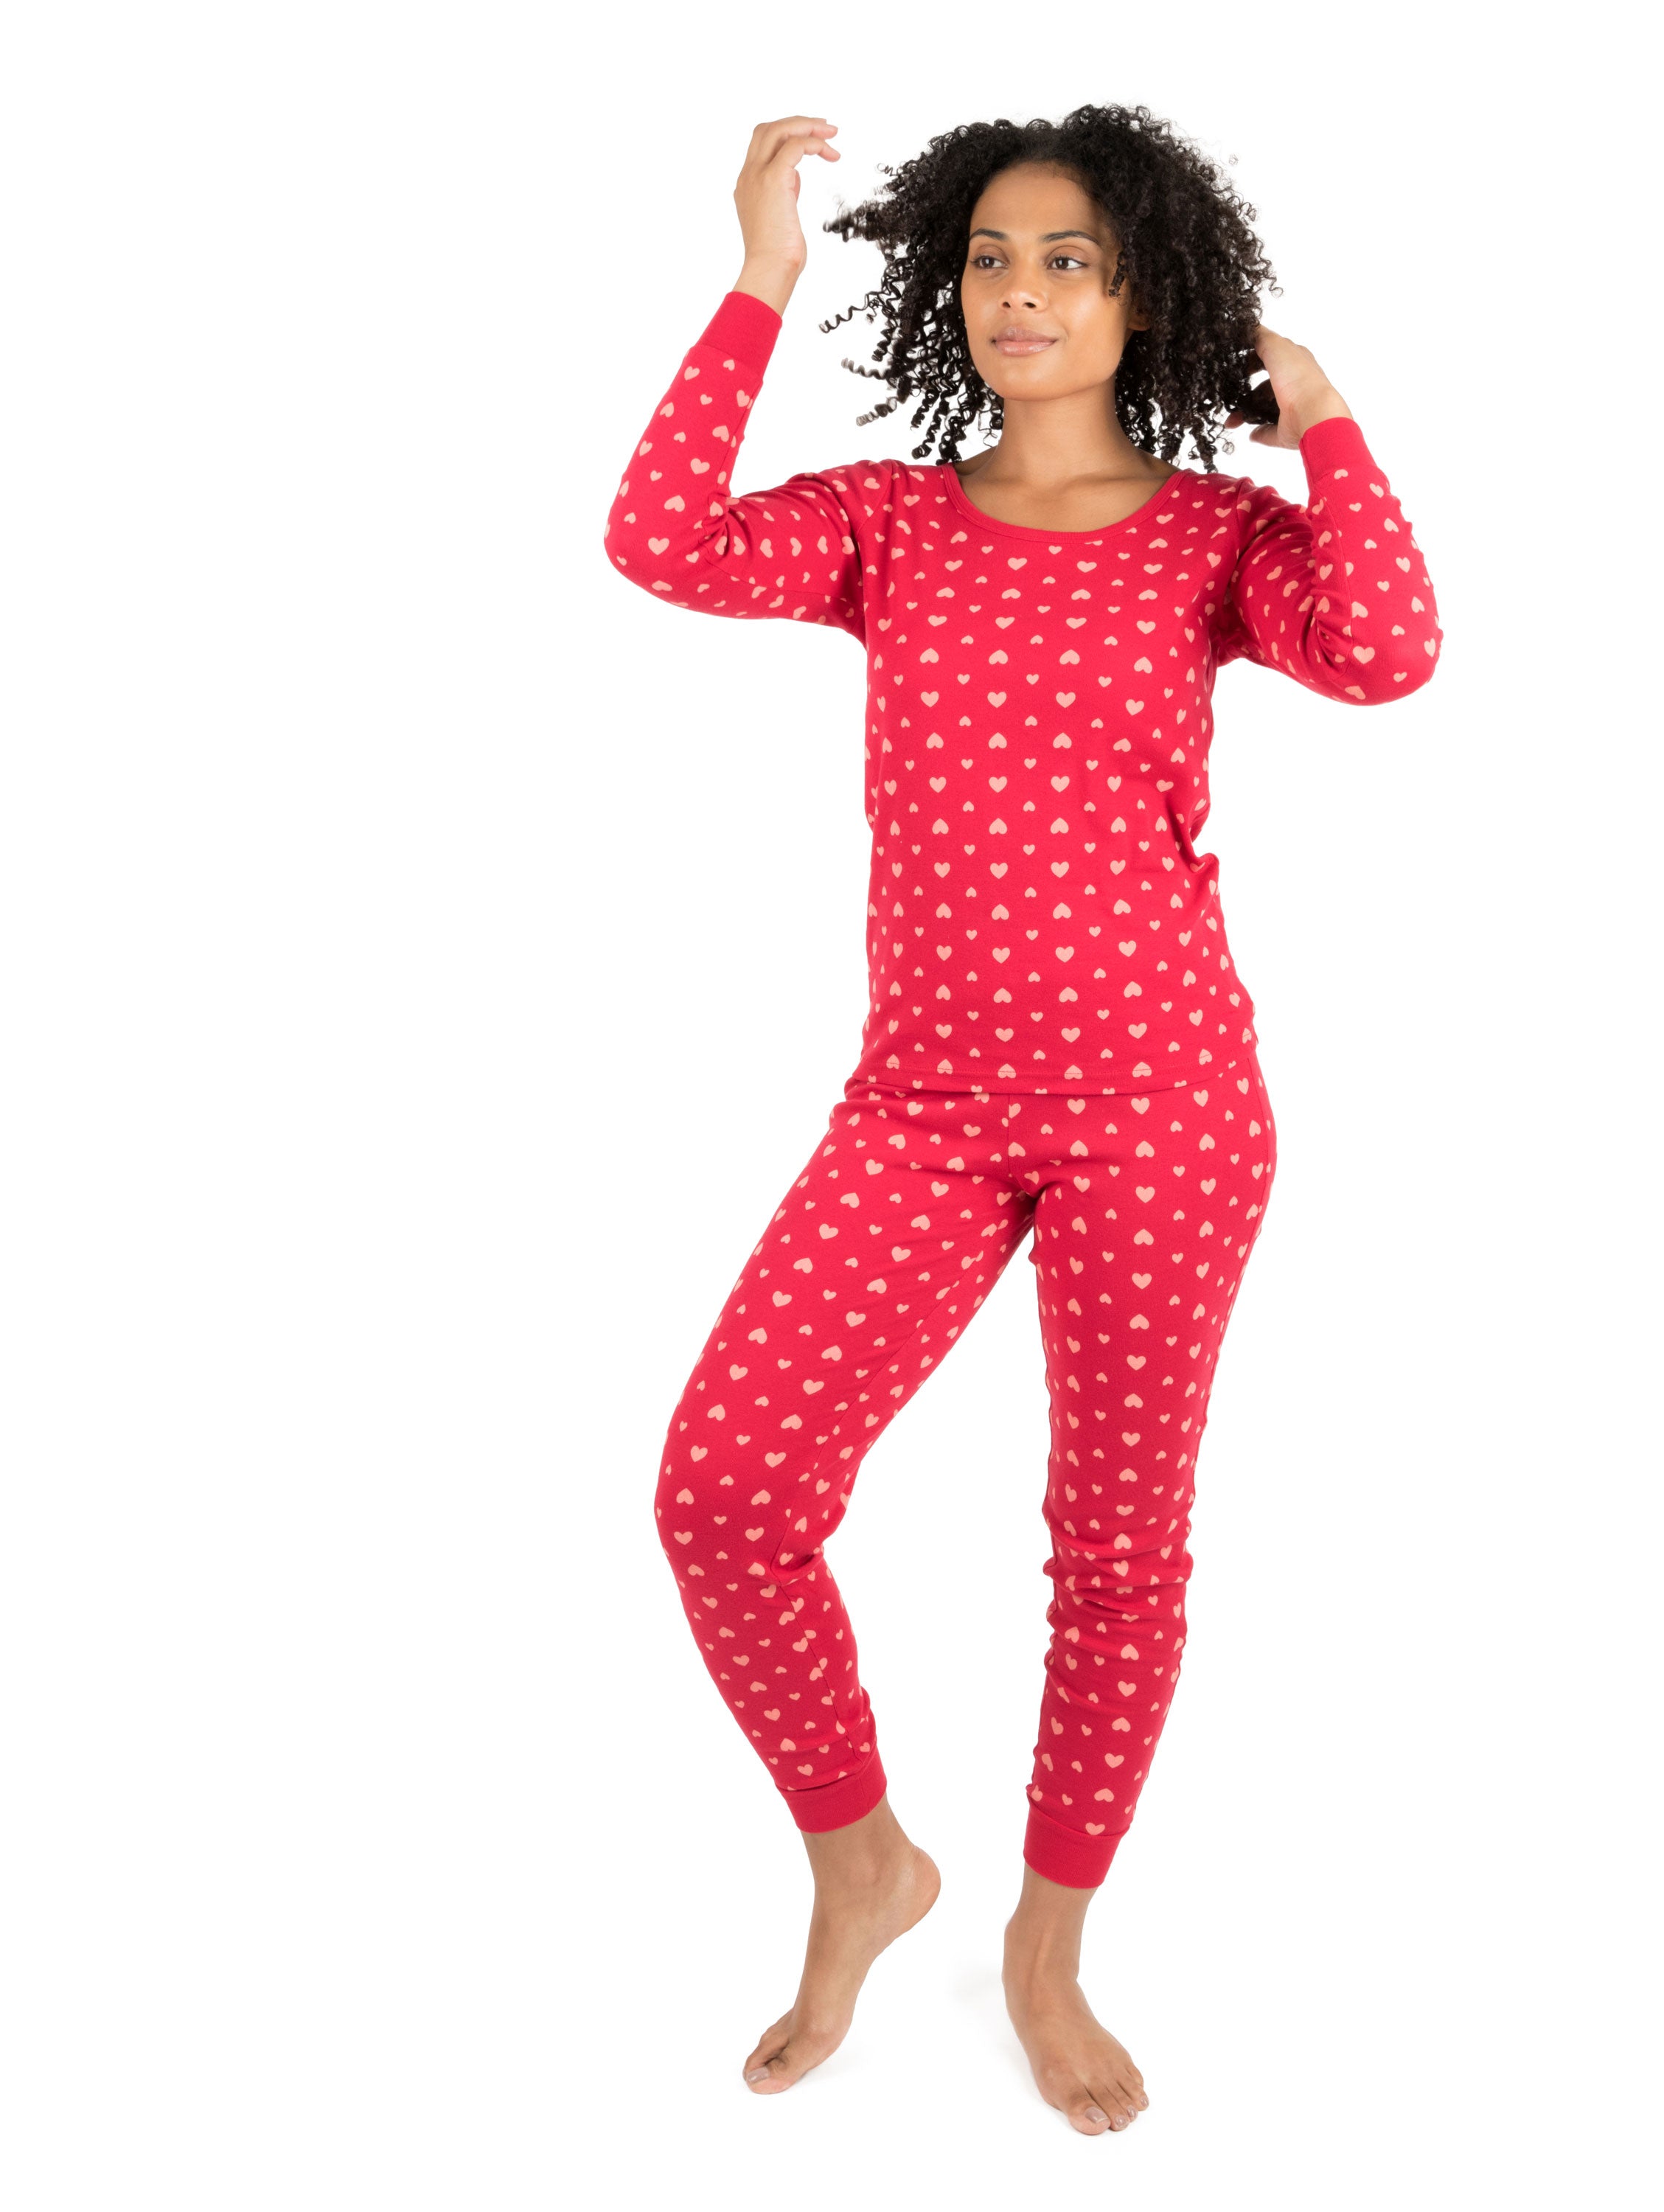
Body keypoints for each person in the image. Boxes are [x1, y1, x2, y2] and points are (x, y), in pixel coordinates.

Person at [605, 104, 1442, 2134]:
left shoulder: (1212, 540)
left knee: (1114, 1552)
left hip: (1166, 1109)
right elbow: (659, 539)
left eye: (1070, 258)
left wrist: (1322, 412)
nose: (1022, 290)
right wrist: (759, 278)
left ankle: (1048, 1952)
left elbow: (1390, 651)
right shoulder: (886, 525)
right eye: (990, 255)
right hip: (923, 1108)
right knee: (726, 1489)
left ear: (1148, 292)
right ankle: (864, 1862)